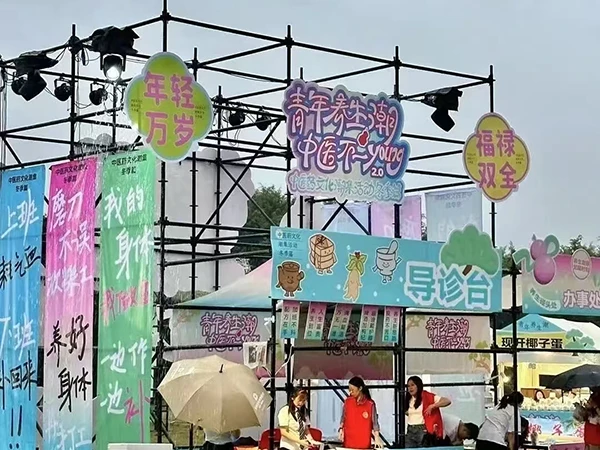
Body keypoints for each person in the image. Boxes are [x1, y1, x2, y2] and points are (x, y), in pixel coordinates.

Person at [404, 375, 452, 448]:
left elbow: (447, 401)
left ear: (418, 385)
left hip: (422, 430)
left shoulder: (427, 396)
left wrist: (432, 406)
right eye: (408, 386)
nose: (410, 388)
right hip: (410, 430)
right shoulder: (408, 399)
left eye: (412, 385)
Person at [338, 376, 384, 449]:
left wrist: (377, 438)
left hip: (363, 443)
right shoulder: (347, 402)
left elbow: (375, 424)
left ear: (360, 388)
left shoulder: (370, 404)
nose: (350, 392)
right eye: (349, 390)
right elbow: (343, 418)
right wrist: (340, 430)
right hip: (348, 442)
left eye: (352, 390)